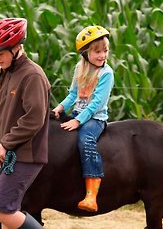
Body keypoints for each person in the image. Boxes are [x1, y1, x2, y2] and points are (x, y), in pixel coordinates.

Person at [0, 18, 50, 229]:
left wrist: (6, 143)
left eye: (0, 53)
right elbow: (2, 118)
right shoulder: (8, 73)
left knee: (3, 209)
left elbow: (34, 118)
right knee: (0, 212)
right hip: (4, 155)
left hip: (24, 155)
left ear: (17, 47)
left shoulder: (32, 75)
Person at [52, 25, 114, 212]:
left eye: (105, 51)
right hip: (78, 114)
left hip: (95, 119)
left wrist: (78, 121)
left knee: (86, 140)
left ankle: (91, 195)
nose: (102, 55)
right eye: (97, 52)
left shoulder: (106, 74)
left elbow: (96, 104)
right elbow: (73, 95)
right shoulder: (80, 68)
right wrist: (60, 108)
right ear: (86, 53)